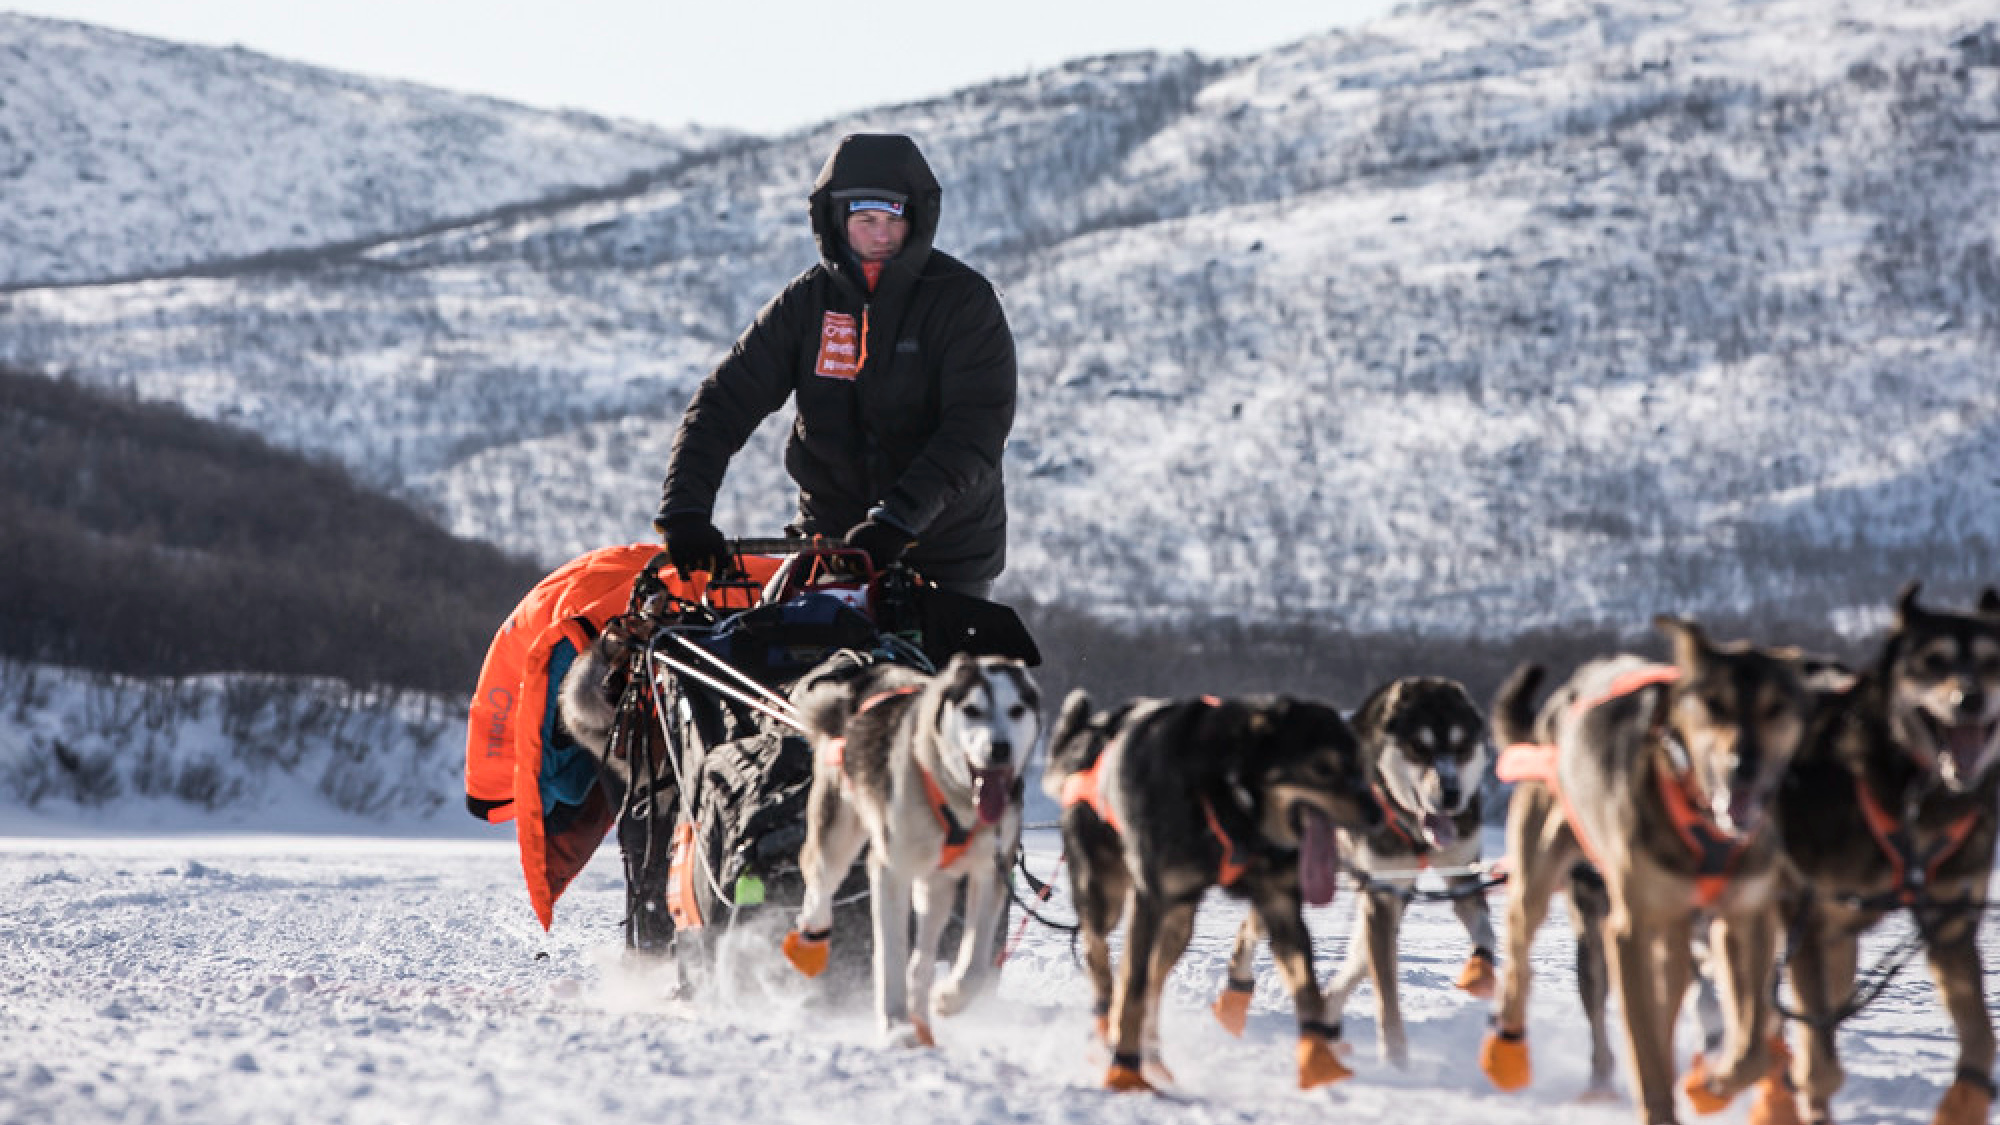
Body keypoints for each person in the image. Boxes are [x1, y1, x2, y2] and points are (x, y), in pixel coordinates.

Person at [655, 132, 1016, 600]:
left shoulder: (964, 303)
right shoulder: (805, 305)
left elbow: (975, 430)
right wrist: (685, 511)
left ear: (917, 220)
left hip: (946, 556)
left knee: (939, 673)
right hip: (828, 546)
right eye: (866, 220)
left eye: (893, 220)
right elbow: (724, 403)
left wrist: (896, 521)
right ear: (836, 221)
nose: (881, 235)